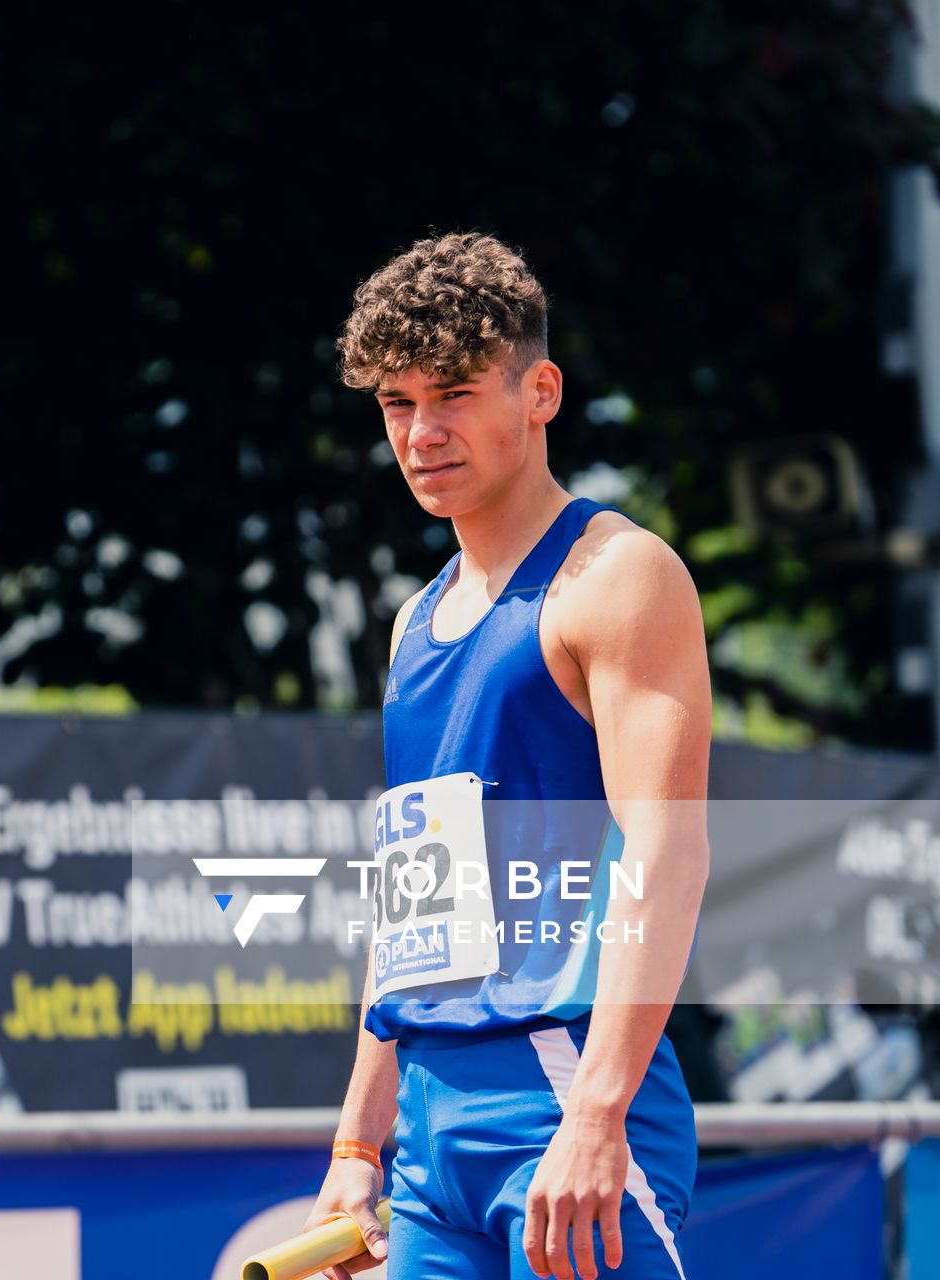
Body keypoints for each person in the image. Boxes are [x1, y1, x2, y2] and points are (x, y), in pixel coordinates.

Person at [305, 232, 711, 1280]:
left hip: (561, 1083)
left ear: (541, 391)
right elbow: (414, 910)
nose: (422, 430)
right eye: (396, 402)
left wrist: (598, 1109)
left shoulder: (618, 576)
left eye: (452, 392)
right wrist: (359, 1142)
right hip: (435, 1131)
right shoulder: (416, 621)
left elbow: (665, 855)